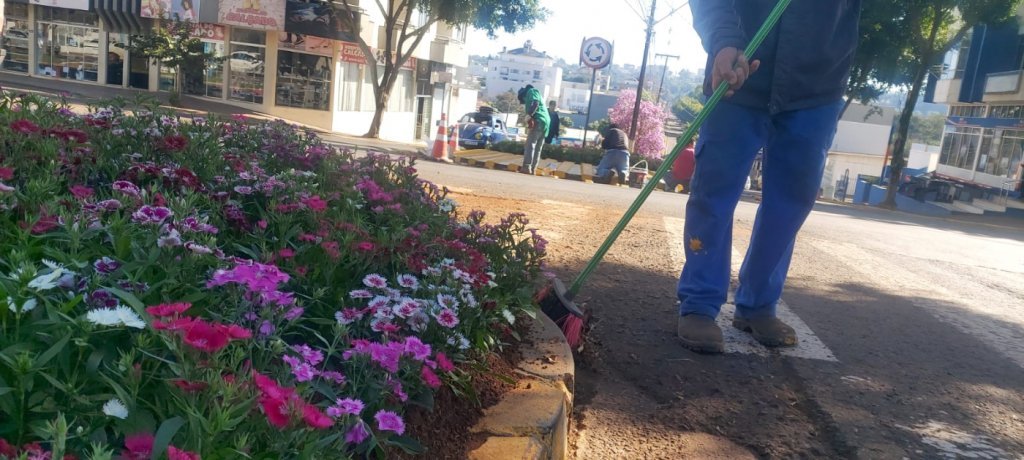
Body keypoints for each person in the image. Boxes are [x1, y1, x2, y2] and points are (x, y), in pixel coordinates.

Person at [676, 1, 861, 353]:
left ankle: (758, 304)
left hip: (817, 81)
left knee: (791, 201)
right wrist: (723, 39)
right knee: (714, 191)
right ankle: (699, 302)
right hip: (738, 66)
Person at [518, 85, 550, 175]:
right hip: (545, 123)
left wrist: (529, 115)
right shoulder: (536, 93)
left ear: (523, 95)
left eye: (523, 101)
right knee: (537, 148)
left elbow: (535, 103)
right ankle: (533, 169)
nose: (524, 102)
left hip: (538, 120)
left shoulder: (531, 91)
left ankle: (526, 167)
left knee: (530, 145)